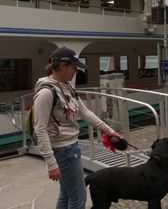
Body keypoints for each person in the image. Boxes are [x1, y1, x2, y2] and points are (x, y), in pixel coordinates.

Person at [33, 46, 122, 209]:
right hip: (62, 150)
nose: (76, 71)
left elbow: (85, 112)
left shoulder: (66, 86)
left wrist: (109, 130)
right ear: (62, 66)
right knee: (79, 199)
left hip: (70, 147)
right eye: (74, 67)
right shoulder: (46, 93)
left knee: (67, 195)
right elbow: (40, 129)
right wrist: (51, 164)